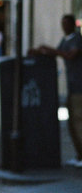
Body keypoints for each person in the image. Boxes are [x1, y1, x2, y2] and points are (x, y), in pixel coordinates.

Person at [32, 15, 82, 167]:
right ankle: (79, 155)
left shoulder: (77, 39)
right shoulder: (66, 40)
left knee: (78, 120)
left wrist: (49, 50)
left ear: (73, 25)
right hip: (71, 85)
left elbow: (69, 54)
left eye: (66, 24)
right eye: (62, 24)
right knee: (72, 122)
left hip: (79, 86)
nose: (63, 27)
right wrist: (40, 51)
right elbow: (58, 52)